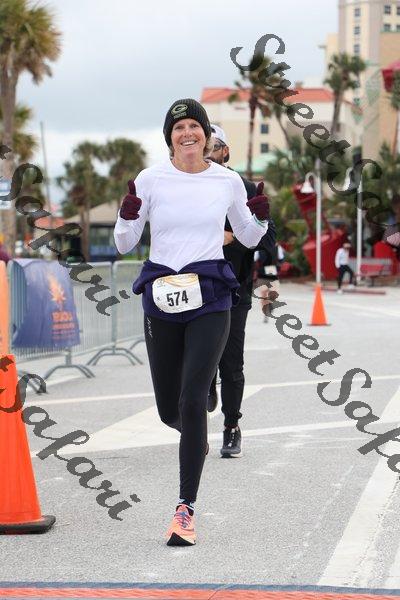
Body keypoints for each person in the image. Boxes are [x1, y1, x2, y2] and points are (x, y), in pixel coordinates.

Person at [113, 99, 270, 546]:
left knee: (193, 396)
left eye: (194, 126)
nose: (187, 133)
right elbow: (124, 244)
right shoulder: (150, 179)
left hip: (210, 296)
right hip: (162, 293)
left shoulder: (227, 181)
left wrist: (259, 215)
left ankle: (185, 509)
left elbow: (249, 237)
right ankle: (194, 433)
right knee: (171, 410)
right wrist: (127, 214)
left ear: (206, 135)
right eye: (178, 127)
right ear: (170, 137)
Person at [206, 124, 276, 458]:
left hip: (234, 288)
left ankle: (231, 427)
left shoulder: (245, 188)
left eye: (214, 145)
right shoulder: (184, 188)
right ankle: (203, 397)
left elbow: (269, 239)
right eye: (203, 145)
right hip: (193, 289)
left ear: (226, 151)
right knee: (195, 362)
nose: (208, 151)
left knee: (231, 364)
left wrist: (232, 237)